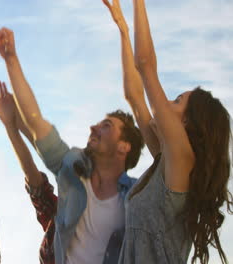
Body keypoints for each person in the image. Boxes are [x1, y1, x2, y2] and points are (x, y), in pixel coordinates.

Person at [0, 28, 144, 264]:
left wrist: (125, 30)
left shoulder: (138, 200)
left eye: (106, 125)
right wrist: (11, 60)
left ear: (124, 147)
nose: (93, 127)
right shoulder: (71, 170)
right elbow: (36, 123)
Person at [103, 0, 232, 263]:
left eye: (176, 102)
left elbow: (145, 64)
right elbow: (134, 96)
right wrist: (123, 29)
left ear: (185, 124)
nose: (165, 104)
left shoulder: (182, 161)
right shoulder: (165, 164)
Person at [0, 81, 57, 264]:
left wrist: (18, 123)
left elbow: (60, 163)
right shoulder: (60, 214)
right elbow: (34, 176)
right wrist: (12, 125)